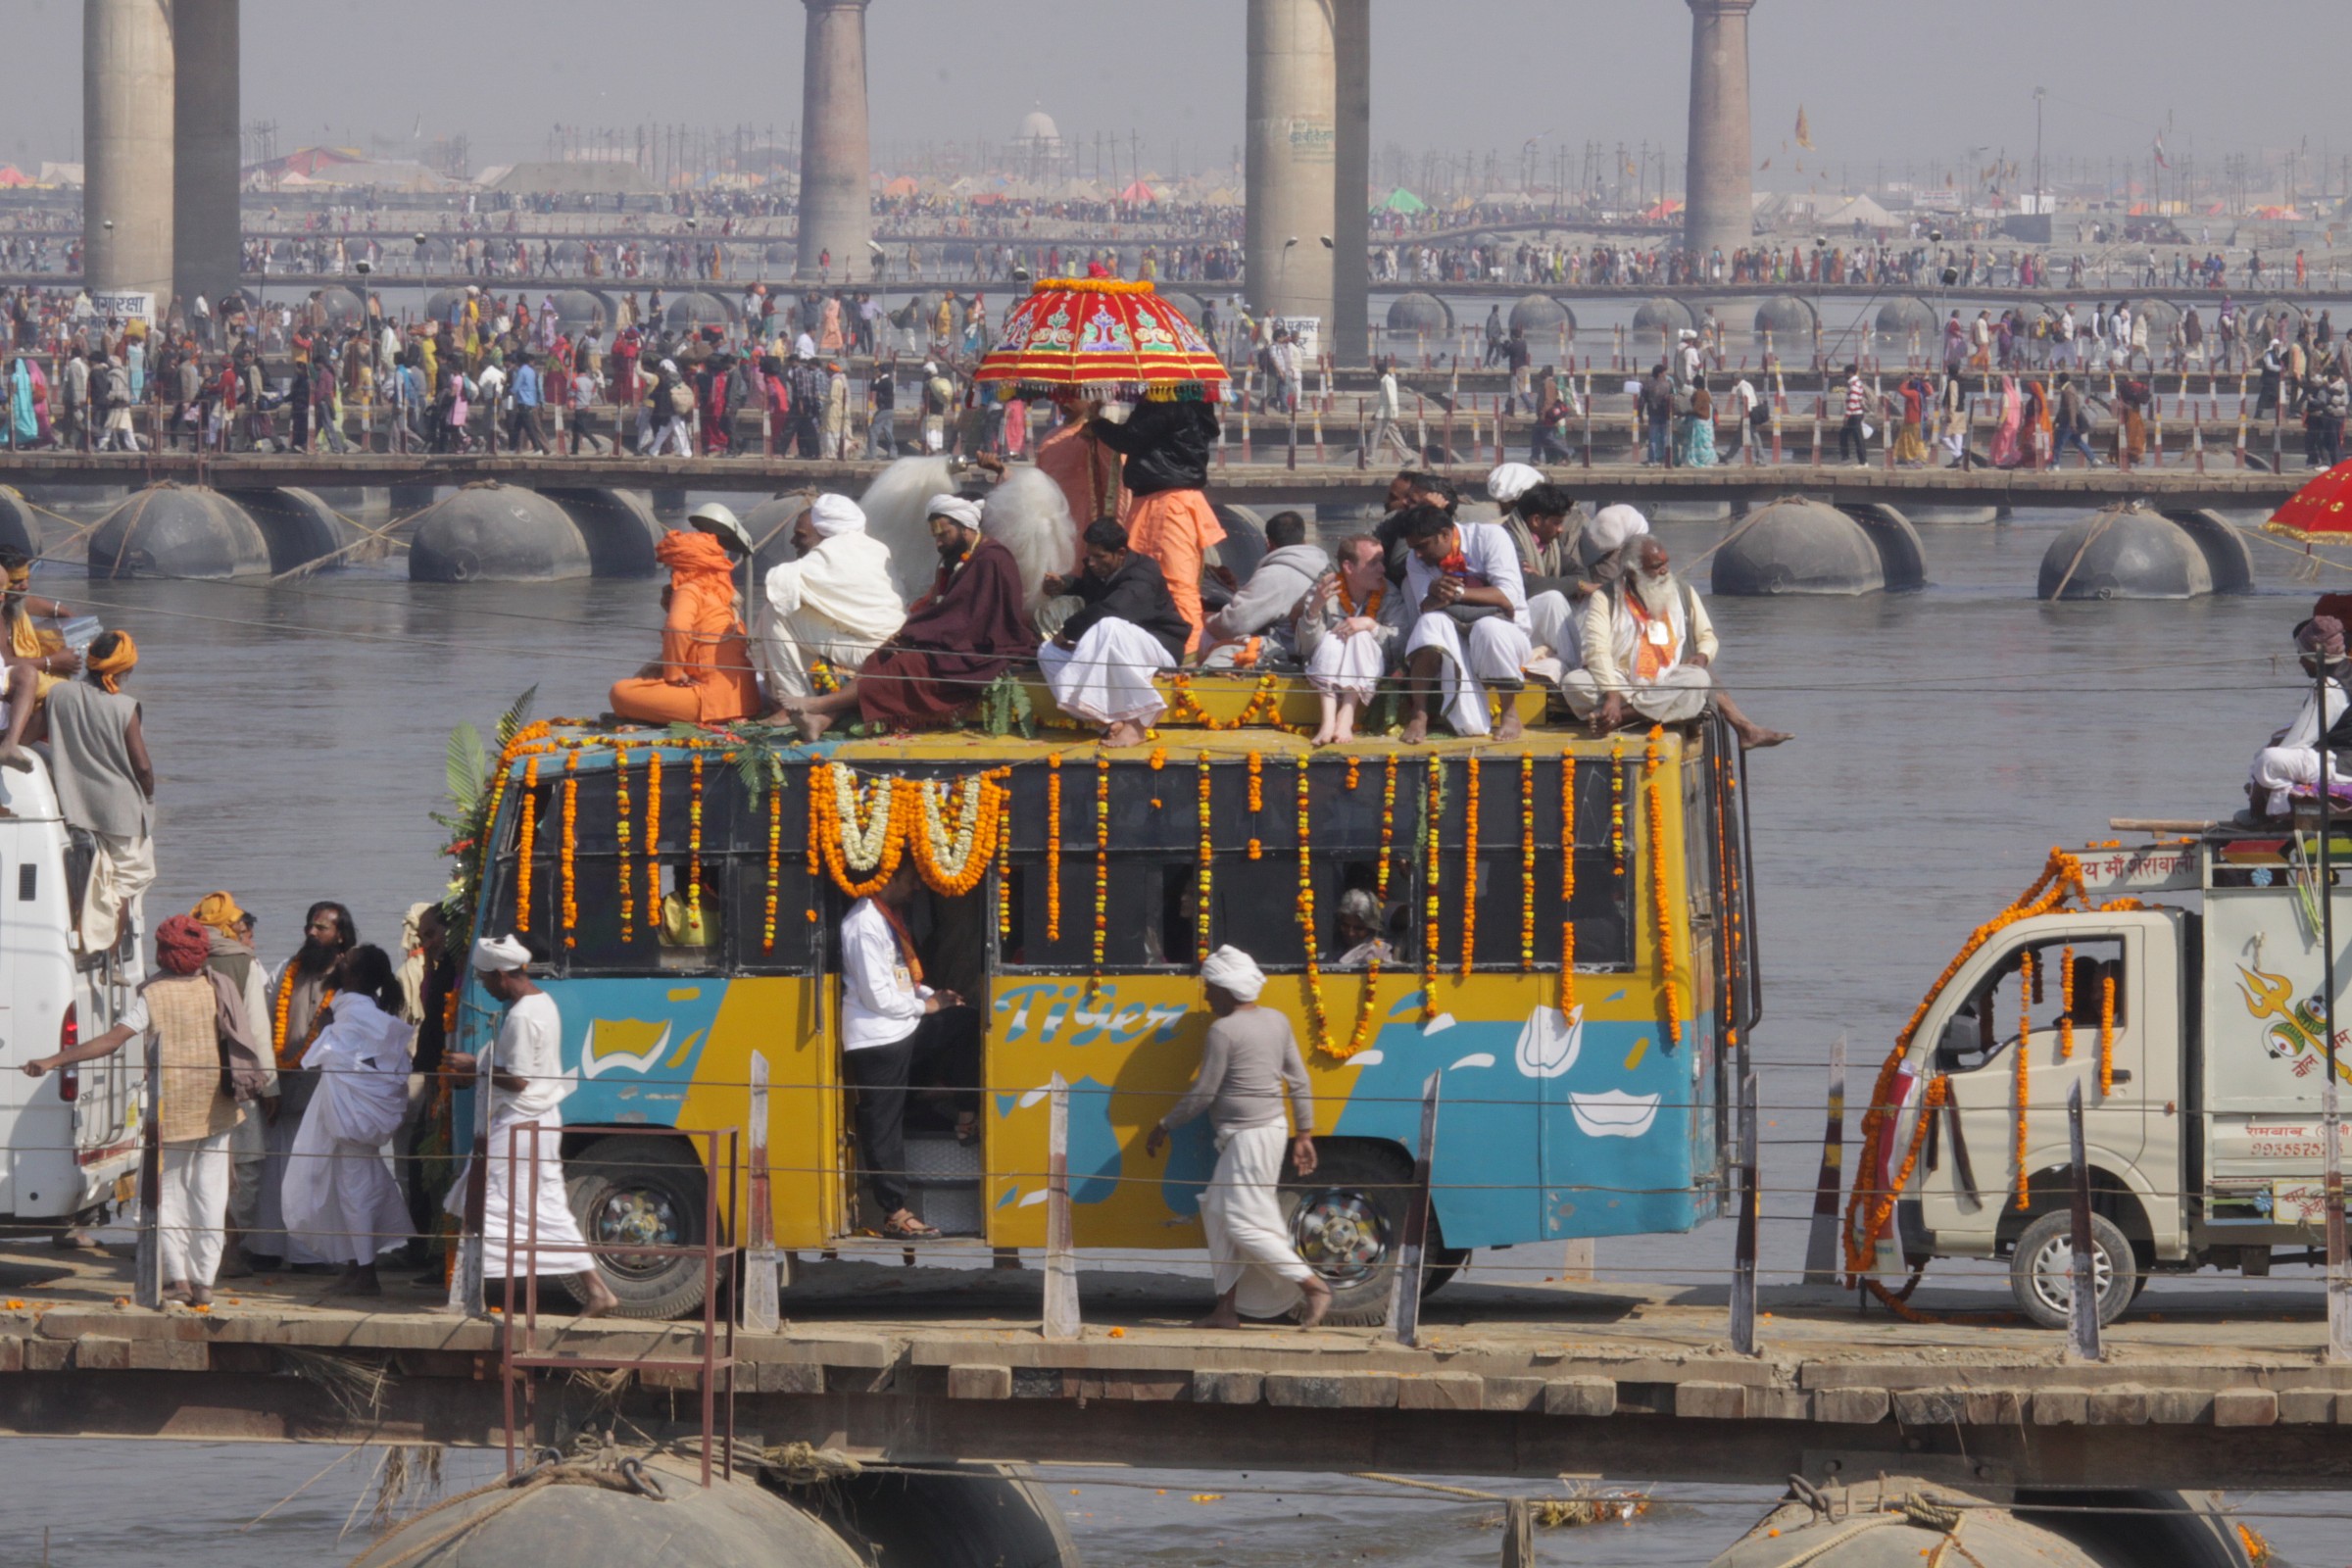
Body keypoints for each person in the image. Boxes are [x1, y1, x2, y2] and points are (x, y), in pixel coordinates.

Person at [22, 914, 266, 1307]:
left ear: (164, 954)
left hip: (171, 1115)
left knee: (166, 1196)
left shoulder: (153, 996)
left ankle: (178, 1280)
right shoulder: (216, 987)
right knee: (210, 1197)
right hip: (217, 1110)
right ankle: (204, 1283)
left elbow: (111, 1041)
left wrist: (54, 1060)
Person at [1143, 946, 1331, 1330]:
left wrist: (1164, 1125)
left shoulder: (1223, 1031)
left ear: (1227, 989)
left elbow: (1203, 1093)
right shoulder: (1276, 1020)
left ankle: (1312, 1286)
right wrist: (1304, 1133)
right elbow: (1299, 1080)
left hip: (1250, 1138)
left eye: (1210, 987)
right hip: (1264, 1133)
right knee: (1217, 1212)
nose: (1207, 995)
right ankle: (1226, 1310)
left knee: (1244, 1223)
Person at [444, 936, 618, 1317]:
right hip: (539, 1119)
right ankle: (597, 1289)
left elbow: (519, 1080)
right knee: (545, 1206)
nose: (485, 988)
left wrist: (475, 1066)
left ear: (502, 974)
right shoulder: (542, 1002)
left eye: (485, 979)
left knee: (481, 1198)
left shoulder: (523, 1016)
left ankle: (467, 1294)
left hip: (521, 1121)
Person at [785, 495, 1033, 740]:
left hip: (980, 648)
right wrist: (907, 634)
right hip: (952, 639)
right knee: (884, 654)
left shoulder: (992, 559)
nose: (938, 543)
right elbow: (942, 608)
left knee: (904, 664)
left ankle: (819, 705)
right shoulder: (956, 558)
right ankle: (821, 721)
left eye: (943, 534)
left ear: (966, 528)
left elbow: (969, 618)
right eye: (935, 536)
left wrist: (916, 634)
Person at [840, 860, 983, 1241]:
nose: (917, 888)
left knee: (964, 1021)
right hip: (879, 1037)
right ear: (887, 877)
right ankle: (895, 1212)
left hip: (901, 1025)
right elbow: (878, 996)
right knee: (883, 1123)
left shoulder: (887, 917)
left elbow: (902, 980)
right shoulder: (863, 924)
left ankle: (963, 1112)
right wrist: (927, 1007)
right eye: (911, 880)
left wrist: (935, 996)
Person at [1562, 534, 1789, 749]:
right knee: (1573, 683)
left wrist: (1703, 655)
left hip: (1667, 679)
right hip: (1621, 683)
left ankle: (1624, 716)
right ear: (1632, 571)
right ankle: (1652, 710)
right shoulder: (1606, 597)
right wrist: (1612, 695)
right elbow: (1598, 650)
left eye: (1666, 563)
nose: (1665, 571)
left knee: (1698, 679)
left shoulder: (1682, 591)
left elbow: (1706, 636)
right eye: (1656, 567)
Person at [282, 945, 416, 1297]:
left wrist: (335, 1045)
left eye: (347, 961)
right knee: (346, 1187)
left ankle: (367, 1274)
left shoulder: (356, 1012)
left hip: (352, 1117)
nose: (339, 961)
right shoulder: (356, 1008)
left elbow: (365, 1061)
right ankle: (356, 1267)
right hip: (343, 1111)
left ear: (354, 976)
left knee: (355, 1191)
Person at [35, 632, 154, 955]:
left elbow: (29, 735)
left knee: (89, 881)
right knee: (122, 888)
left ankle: (85, 945)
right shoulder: (125, 707)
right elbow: (142, 767)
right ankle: (109, 959)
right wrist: (149, 797)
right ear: (123, 669)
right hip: (122, 814)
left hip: (75, 806)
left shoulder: (59, 694)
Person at [255, 901, 355, 1270]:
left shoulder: (351, 975)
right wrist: (267, 1084)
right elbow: (263, 1023)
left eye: (321, 928)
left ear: (340, 935)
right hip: (283, 1090)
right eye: (309, 927)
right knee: (274, 1170)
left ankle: (310, 1255)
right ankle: (266, 1249)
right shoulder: (287, 970)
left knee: (317, 1172)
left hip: (326, 1094)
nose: (311, 933)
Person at [1086, 395, 1226, 654]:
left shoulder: (1167, 399)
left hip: (1165, 503)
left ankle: (1187, 657)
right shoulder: (1192, 399)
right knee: (1157, 582)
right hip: (1169, 499)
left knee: (1175, 583)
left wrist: (1097, 423)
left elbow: (1129, 438)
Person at [750, 493, 907, 715]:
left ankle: (795, 705)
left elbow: (774, 588)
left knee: (775, 611)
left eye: (801, 535)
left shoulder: (830, 551)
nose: (793, 542)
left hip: (870, 652)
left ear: (822, 531)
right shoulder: (877, 548)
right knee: (791, 605)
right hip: (889, 645)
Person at [1039, 518, 1191, 747]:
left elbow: (1114, 608)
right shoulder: (1097, 569)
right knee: (1048, 651)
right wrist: (1066, 584)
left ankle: (1138, 724)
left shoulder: (1144, 572)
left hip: (1160, 648)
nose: (1092, 562)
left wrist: (1068, 631)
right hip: (1115, 645)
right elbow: (1091, 590)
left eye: (1099, 556)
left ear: (1120, 553)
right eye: (1089, 555)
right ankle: (1106, 721)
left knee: (1108, 625)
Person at [191, 891, 277, 1277]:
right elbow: (257, 1030)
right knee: (246, 1165)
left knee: (198, 1165)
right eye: (242, 930)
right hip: (239, 1080)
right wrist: (270, 1086)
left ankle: (200, 1249)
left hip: (190, 1080)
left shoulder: (179, 956)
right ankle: (230, 1249)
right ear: (227, 928)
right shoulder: (244, 963)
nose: (248, 939)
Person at [1396, 503, 1532, 745]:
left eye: (1422, 546)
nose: (1418, 554)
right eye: (1413, 548)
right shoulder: (1416, 560)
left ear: (1445, 534)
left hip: (1504, 630)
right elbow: (1426, 607)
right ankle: (1419, 714)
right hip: (1453, 632)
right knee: (1429, 623)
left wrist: (1457, 593)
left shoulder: (1490, 538)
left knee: (1488, 628)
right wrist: (1437, 592)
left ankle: (1510, 712)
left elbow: (1508, 597)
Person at [611, 513, 764, 725]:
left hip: (711, 703)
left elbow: (677, 627)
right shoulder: (723, 594)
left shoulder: (690, 589)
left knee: (621, 692)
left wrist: (674, 673)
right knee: (648, 684)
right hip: (746, 701)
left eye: (673, 568)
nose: (671, 574)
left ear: (684, 567)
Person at [1298, 533, 1405, 746]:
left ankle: (1346, 713)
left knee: (1361, 635)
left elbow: (1401, 645)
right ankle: (1328, 720)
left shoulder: (1390, 594)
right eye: (1374, 563)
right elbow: (1306, 649)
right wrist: (1315, 608)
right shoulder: (1325, 590)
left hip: (1375, 668)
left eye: (1382, 561)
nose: (1382, 569)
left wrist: (1371, 626)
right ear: (1349, 567)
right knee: (1332, 637)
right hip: (1326, 666)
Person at [2243, 616, 2352, 825]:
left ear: (2314, 656)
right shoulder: (2345, 671)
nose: (2300, 661)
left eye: (2302, 655)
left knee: (2269, 760)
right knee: (2269, 752)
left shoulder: (2329, 688)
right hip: (2338, 755)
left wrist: (2276, 746)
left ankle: (2265, 815)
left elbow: (2296, 743)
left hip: (2342, 763)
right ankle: (2272, 808)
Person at [1200, 511, 1328, 663]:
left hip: (1287, 655)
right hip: (1322, 649)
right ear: (1304, 540)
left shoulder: (1275, 575)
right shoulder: (1325, 564)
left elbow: (1232, 624)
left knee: (1204, 635)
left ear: (1269, 544)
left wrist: (1207, 619)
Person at [0, 550, 77, 768]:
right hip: (11, 680)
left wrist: (69, 636)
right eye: (17, 582)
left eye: (27, 579)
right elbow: (5, 662)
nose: (25, 586)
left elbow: (62, 612)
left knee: (69, 688)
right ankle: (15, 744)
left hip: (16, 676)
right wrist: (53, 661)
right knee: (61, 693)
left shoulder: (15, 601)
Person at [1330, 889, 1396, 968]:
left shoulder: (1373, 953)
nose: (1351, 933)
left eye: (1358, 928)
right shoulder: (1335, 944)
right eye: (1345, 926)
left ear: (1370, 928)